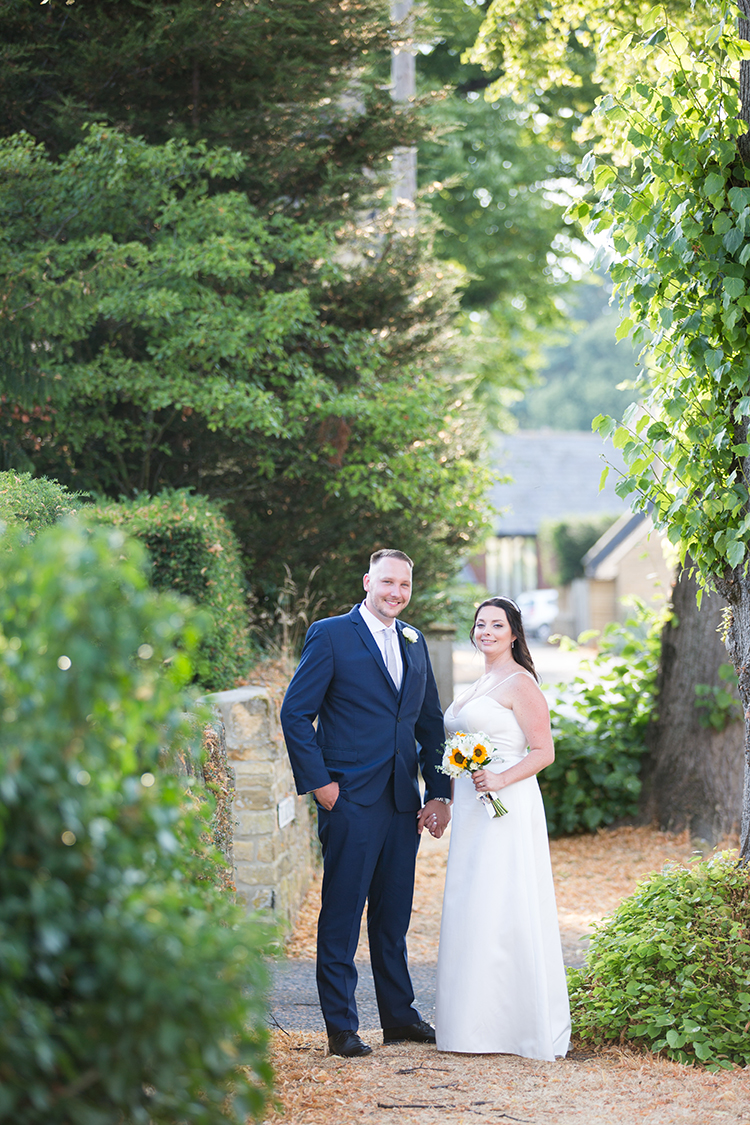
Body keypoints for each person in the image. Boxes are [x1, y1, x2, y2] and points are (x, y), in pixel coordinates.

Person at [280, 549, 452, 1058]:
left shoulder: (414, 641)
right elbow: (296, 713)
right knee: (341, 914)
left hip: (403, 803)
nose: (396, 593)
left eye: (404, 585)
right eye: (387, 583)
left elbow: (429, 725)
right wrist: (321, 786)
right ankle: (341, 1029)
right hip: (349, 799)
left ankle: (399, 1019)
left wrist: (438, 792)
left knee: (392, 918)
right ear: (367, 582)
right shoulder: (331, 634)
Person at [434, 596, 571, 1060]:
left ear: (514, 632)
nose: (486, 631)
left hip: (506, 804)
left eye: (497, 624)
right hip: (475, 808)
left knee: (503, 899)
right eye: (480, 624)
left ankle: (514, 1027)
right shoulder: (481, 682)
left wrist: (499, 778)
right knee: (473, 902)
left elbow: (543, 751)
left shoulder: (520, 682)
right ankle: (472, 1026)